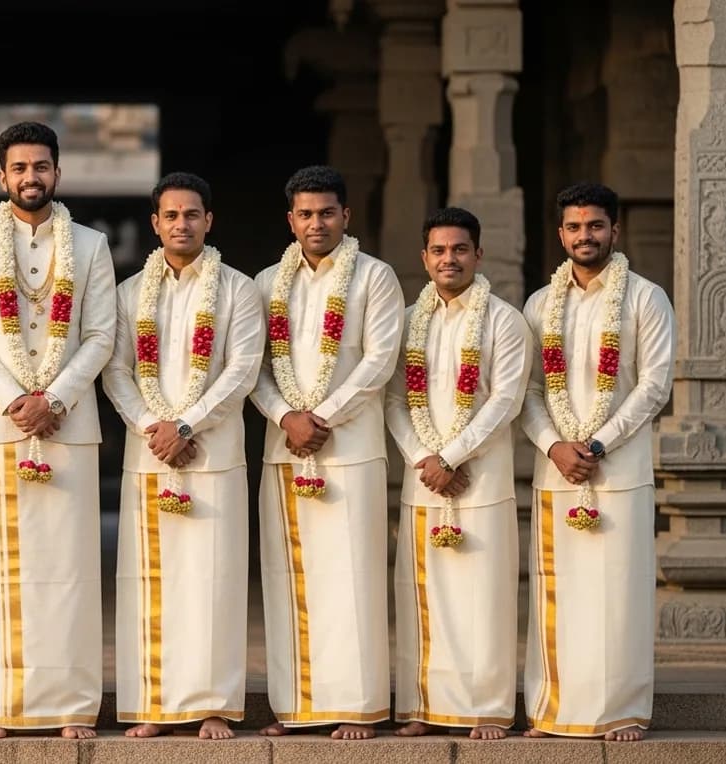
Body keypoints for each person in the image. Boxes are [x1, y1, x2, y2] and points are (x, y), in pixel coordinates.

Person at [0, 121, 116, 739]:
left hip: (69, 431)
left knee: (70, 574)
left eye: (41, 167)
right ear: (2, 177)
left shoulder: (93, 246)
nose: (30, 178)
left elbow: (101, 335)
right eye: (19, 168)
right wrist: (17, 400)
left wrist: (58, 398)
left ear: (57, 173)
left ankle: (72, 707)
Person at [101, 172, 263, 740]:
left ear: (209, 221)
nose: (181, 224)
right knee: (151, 582)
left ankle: (213, 704)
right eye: (170, 216)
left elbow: (241, 369)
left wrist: (188, 423)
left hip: (213, 456)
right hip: (151, 457)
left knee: (213, 582)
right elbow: (117, 371)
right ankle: (155, 702)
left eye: (192, 214)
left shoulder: (239, 289)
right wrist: (154, 427)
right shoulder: (127, 293)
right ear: (155, 224)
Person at [250, 165, 404, 740]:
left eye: (327, 213)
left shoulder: (376, 278)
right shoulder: (267, 282)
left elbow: (379, 361)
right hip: (285, 449)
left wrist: (322, 417)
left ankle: (357, 706)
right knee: (289, 577)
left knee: (353, 577)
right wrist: (285, 416)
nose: (317, 224)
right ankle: (297, 707)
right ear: (290, 220)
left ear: (347, 216)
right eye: (306, 214)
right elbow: (255, 368)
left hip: (352, 450)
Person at [519, 183, 674, 742]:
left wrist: (600, 444)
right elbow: (528, 390)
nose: (585, 236)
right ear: (560, 234)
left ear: (615, 229)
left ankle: (623, 711)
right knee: (558, 593)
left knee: (619, 594)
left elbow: (655, 384)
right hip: (557, 471)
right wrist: (555, 447)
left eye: (595, 226)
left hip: (620, 471)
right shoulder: (541, 304)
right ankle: (553, 710)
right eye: (574, 227)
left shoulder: (645, 298)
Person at [384, 207, 530, 741]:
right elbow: (395, 399)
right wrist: (424, 457)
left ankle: (487, 708)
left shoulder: (505, 321)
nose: (450, 259)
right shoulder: (406, 320)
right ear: (424, 258)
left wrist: (452, 458)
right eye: (439, 250)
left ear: (478, 254)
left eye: (460, 249)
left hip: (481, 480)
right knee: (423, 594)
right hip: (425, 479)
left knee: (484, 596)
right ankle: (423, 705)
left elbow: (505, 401)